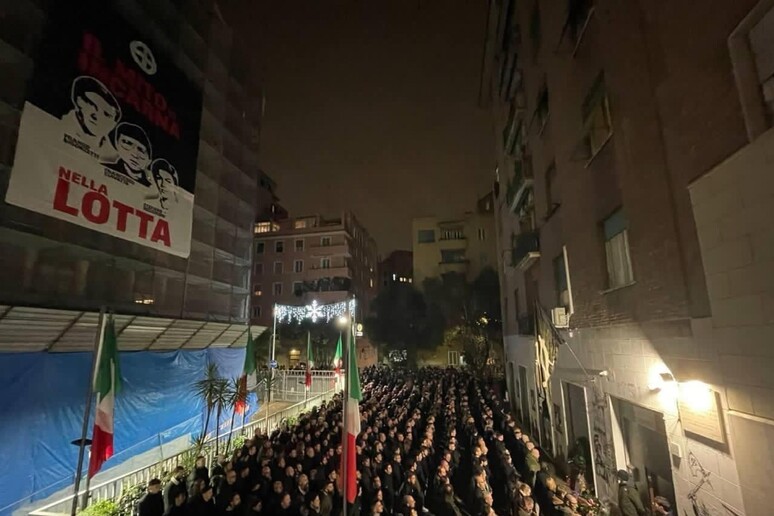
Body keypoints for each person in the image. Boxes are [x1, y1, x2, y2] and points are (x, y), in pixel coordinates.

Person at [61, 76, 121, 161]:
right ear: (79, 101)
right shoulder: (57, 127)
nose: (96, 116)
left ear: (113, 124)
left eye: (107, 114)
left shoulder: (113, 158)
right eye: (92, 105)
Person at [102, 122, 153, 186]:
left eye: (141, 150)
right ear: (116, 144)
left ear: (149, 161)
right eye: (127, 143)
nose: (135, 155)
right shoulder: (105, 168)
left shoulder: (150, 186)